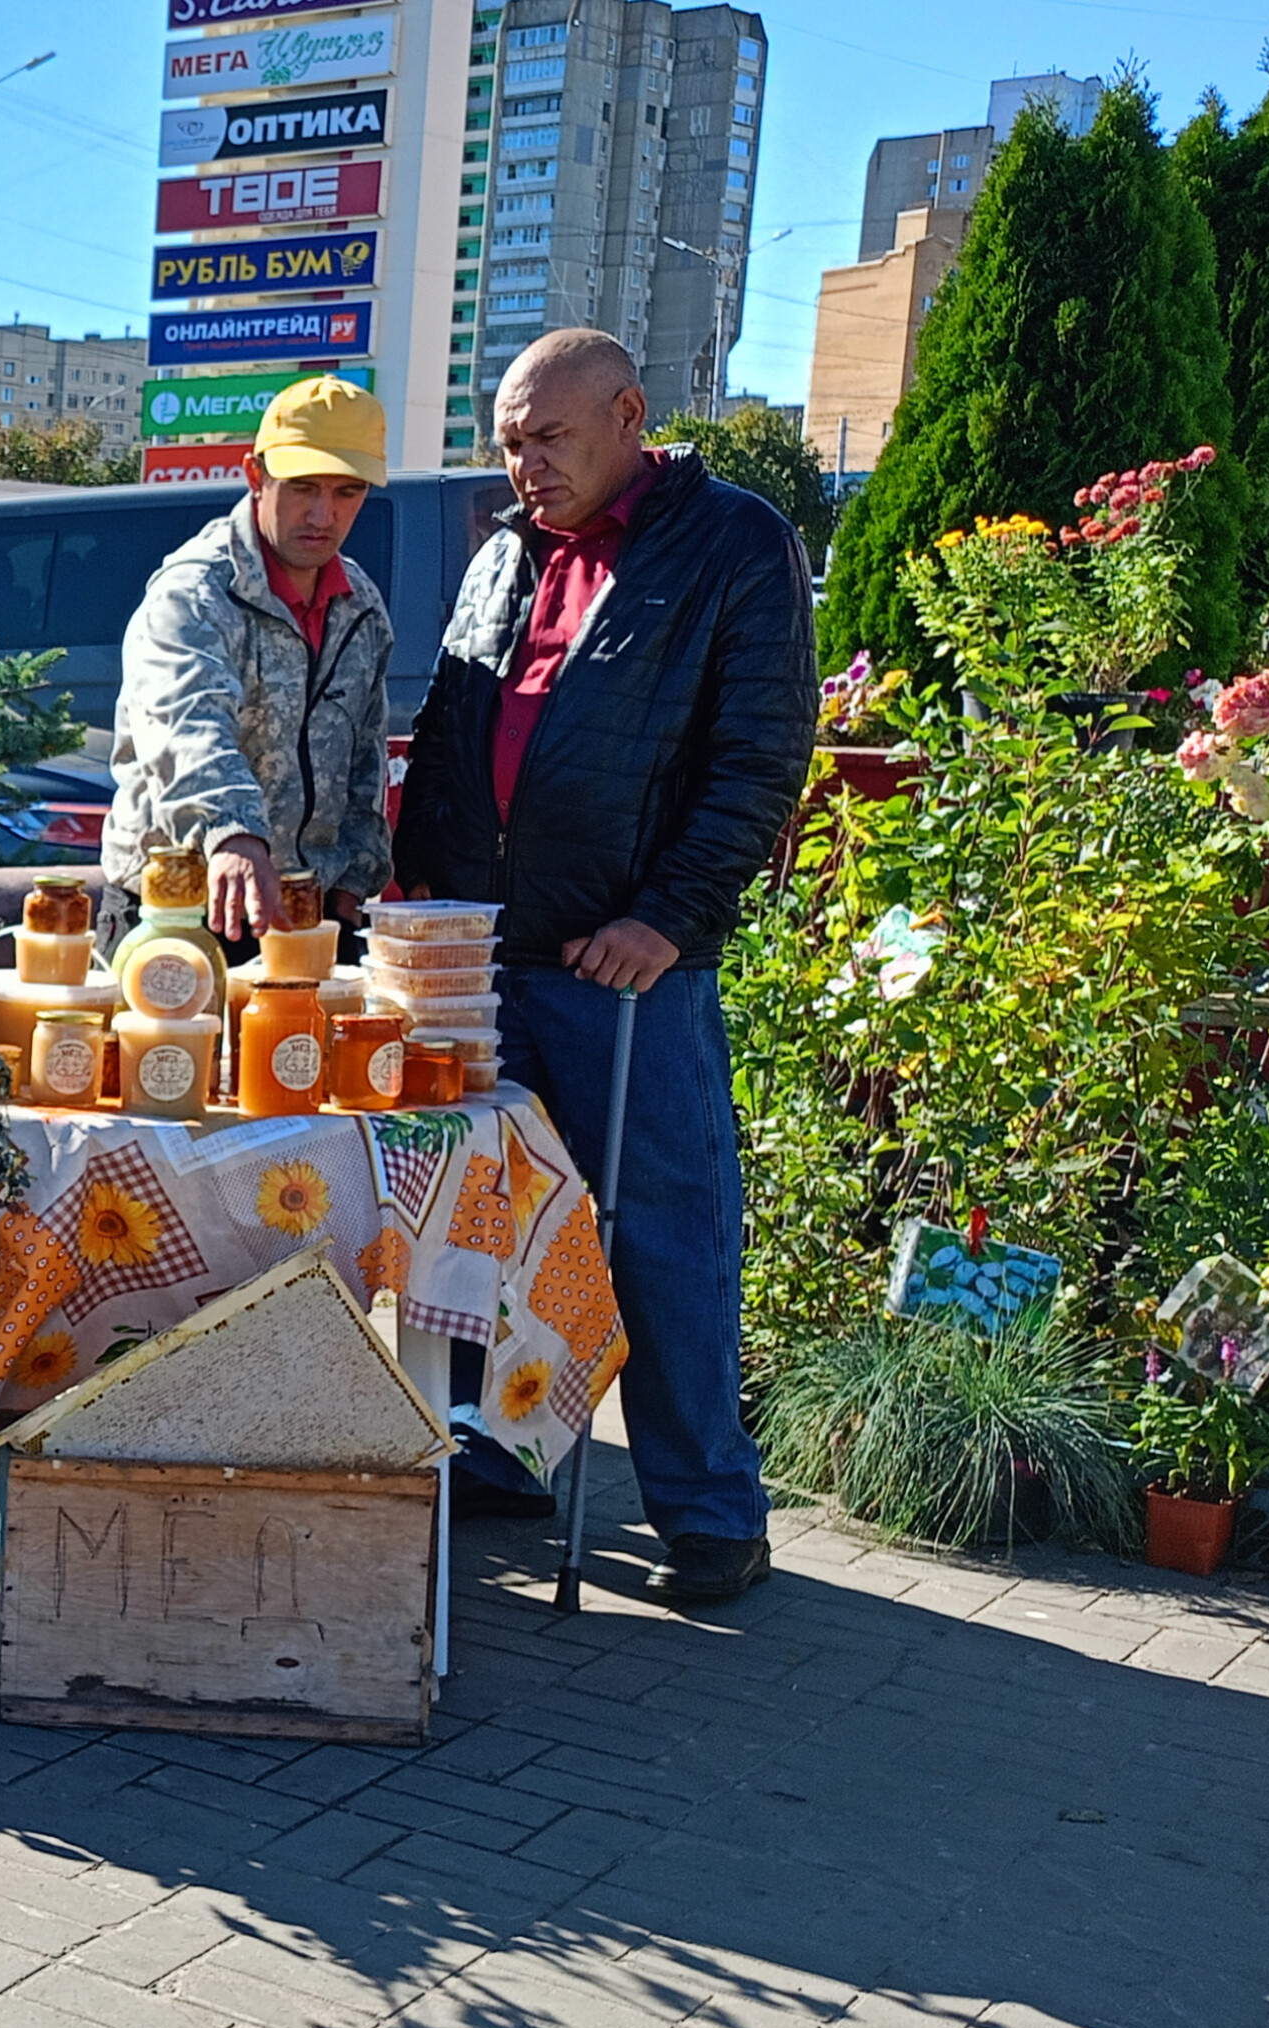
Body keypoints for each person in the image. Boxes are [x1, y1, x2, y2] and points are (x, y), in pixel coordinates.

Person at [396, 329, 815, 1608]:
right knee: (490, 1232)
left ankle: (708, 1513)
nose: (523, 465)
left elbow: (759, 758)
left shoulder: (732, 543)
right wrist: (418, 882)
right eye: (509, 443)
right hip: (483, 957)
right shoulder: (500, 554)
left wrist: (671, 919)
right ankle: (510, 1451)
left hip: (623, 967)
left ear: (629, 413)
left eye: (548, 438)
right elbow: (455, 728)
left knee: (667, 1238)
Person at [105, 376, 398, 945]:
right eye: (303, 486)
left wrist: (355, 878)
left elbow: (365, 759)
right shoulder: (193, 592)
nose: (322, 514)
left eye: (347, 492)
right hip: (179, 907)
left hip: (304, 914)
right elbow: (186, 724)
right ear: (255, 475)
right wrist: (232, 835)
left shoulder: (360, 605)